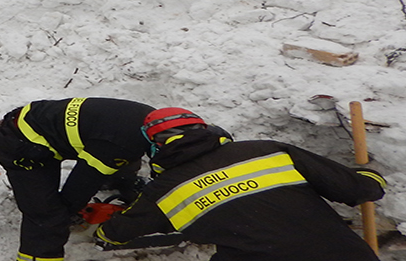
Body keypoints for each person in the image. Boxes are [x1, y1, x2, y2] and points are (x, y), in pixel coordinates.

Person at [96, 107, 388, 260]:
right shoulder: (267, 150)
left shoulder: (164, 191)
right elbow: (359, 189)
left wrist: (104, 233)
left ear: (154, 147)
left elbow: (117, 233)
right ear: (206, 128)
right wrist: (370, 178)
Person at [0, 97, 154, 261]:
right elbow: (80, 187)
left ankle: (118, 183)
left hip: (46, 121)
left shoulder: (153, 121)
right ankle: (38, 257)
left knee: (122, 158)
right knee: (48, 216)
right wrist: (68, 214)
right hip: (20, 143)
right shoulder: (119, 145)